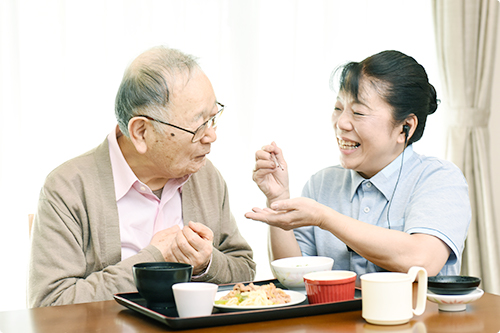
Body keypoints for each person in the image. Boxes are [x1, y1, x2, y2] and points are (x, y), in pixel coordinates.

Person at [28, 46, 256, 307]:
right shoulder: (67, 188)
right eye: (198, 125)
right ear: (140, 132)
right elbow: (50, 304)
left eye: (212, 118)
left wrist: (207, 263)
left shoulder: (205, 176)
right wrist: (155, 259)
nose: (211, 136)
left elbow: (244, 270)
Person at [245, 50, 470, 278]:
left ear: (406, 127)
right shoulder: (322, 183)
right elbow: (294, 277)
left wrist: (325, 218)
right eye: (338, 108)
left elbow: (422, 260)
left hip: (419, 314)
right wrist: (279, 199)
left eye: (359, 112)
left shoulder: (438, 178)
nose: (341, 123)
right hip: (336, 316)